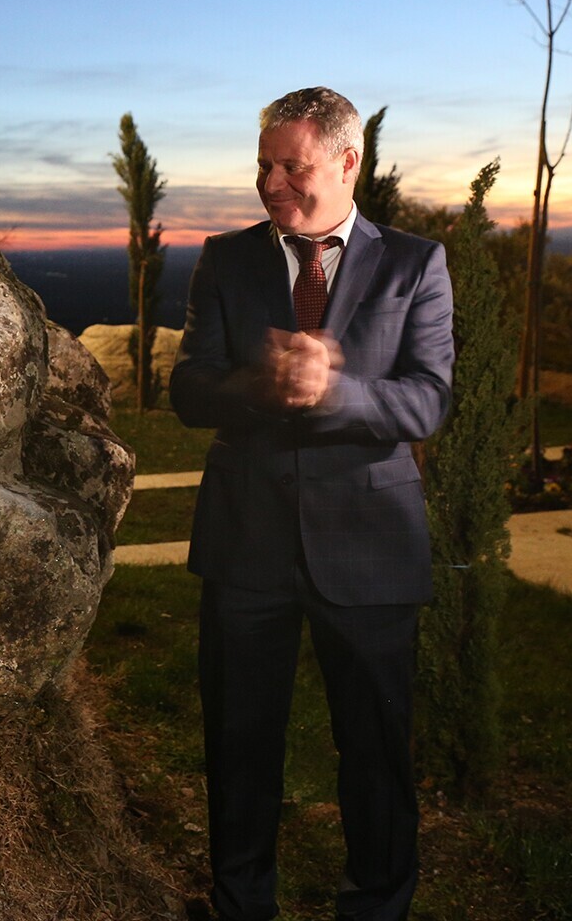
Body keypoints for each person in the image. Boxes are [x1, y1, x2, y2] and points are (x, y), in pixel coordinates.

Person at [170, 86, 455, 921]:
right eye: (263, 166)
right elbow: (189, 389)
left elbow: (428, 401)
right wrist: (259, 384)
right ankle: (240, 906)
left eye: (291, 167)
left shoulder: (415, 264)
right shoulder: (225, 259)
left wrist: (333, 394)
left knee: (374, 754)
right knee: (238, 747)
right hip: (246, 543)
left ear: (346, 161)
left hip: (370, 546)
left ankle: (375, 907)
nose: (271, 184)